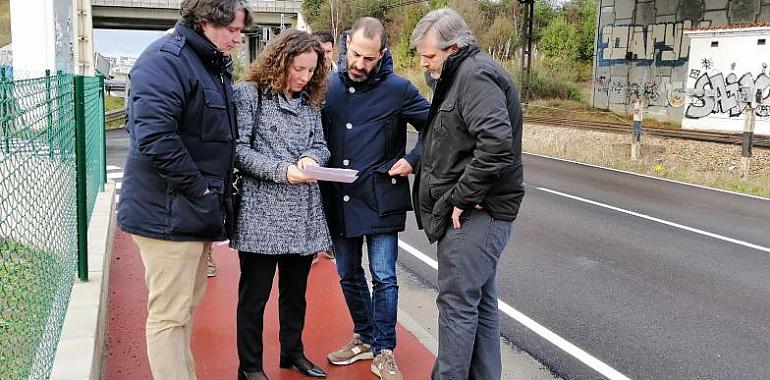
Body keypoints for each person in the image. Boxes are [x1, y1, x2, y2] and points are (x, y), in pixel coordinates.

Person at [116, 1, 251, 378]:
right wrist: (202, 193)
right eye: (233, 31)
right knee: (169, 317)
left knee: (183, 310)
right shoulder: (166, 60)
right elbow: (155, 138)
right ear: (206, 22)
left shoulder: (207, 64)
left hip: (189, 211)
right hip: (168, 213)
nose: (239, 40)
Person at [409, 8, 525, 380]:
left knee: (458, 304)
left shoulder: (473, 76)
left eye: (430, 56)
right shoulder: (463, 73)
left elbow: (495, 144)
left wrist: (460, 197)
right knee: (480, 303)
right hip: (478, 209)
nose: (425, 65)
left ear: (453, 47)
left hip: (476, 212)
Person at [321, 17, 430, 380]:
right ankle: (364, 337)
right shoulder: (328, 85)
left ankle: (385, 350)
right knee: (347, 273)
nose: (360, 65)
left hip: (381, 196)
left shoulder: (399, 89)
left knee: (384, 276)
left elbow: (436, 127)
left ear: (381, 53)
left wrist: (413, 160)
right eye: (355, 55)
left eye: (369, 59)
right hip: (338, 198)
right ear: (346, 43)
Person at [230, 29, 331, 380]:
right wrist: (283, 171)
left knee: (295, 294)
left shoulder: (309, 103)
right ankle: (251, 367)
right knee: (254, 298)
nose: (304, 77)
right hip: (260, 213)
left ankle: (293, 353)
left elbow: (320, 144)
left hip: (302, 211)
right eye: (298, 69)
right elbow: (239, 151)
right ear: (280, 61)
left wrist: (308, 158)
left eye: (310, 71)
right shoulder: (249, 95)